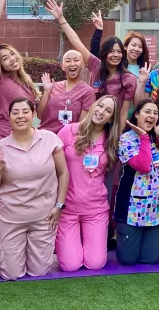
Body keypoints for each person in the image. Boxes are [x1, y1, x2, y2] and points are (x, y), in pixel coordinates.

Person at [0, 98, 68, 280]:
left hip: (43, 216)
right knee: (10, 274)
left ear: (33, 114)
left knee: (40, 271)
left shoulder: (50, 139)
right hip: (10, 217)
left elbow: (63, 173)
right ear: (9, 117)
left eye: (25, 111)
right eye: (15, 112)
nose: (20, 116)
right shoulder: (1, 146)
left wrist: (59, 206)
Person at [56, 95, 121, 271]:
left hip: (95, 209)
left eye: (108, 111)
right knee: (70, 265)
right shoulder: (68, 132)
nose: (101, 112)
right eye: (100, 106)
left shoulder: (111, 141)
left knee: (95, 264)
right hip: (67, 208)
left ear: (110, 119)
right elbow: (52, 167)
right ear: (93, 106)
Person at [114, 101, 159, 265]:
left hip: (158, 206)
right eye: (147, 112)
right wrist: (144, 137)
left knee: (151, 259)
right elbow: (143, 166)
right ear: (136, 114)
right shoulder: (126, 139)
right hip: (133, 207)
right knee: (128, 260)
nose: (152, 116)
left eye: (155, 113)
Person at [47, 0, 138, 110]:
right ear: (104, 53)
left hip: (114, 125)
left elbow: (124, 112)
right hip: (92, 121)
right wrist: (61, 18)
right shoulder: (96, 65)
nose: (115, 55)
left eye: (119, 52)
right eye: (111, 51)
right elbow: (76, 42)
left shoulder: (128, 78)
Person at [37, 51, 96, 133]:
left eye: (76, 60)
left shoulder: (88, 91)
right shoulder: (53, 86)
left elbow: (81, 125)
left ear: (83, 64)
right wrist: (47, 91)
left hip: (68, 139)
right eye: (68, 61)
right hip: (46, 136)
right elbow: (40, 115)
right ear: (63, 66)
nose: (72, 64)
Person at [0, 44, 40, 138]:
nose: (12, 59)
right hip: (5, 133)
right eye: (5, 58)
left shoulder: (27, 79)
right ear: (0, 65)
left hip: (26, 131)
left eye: (12, 53)